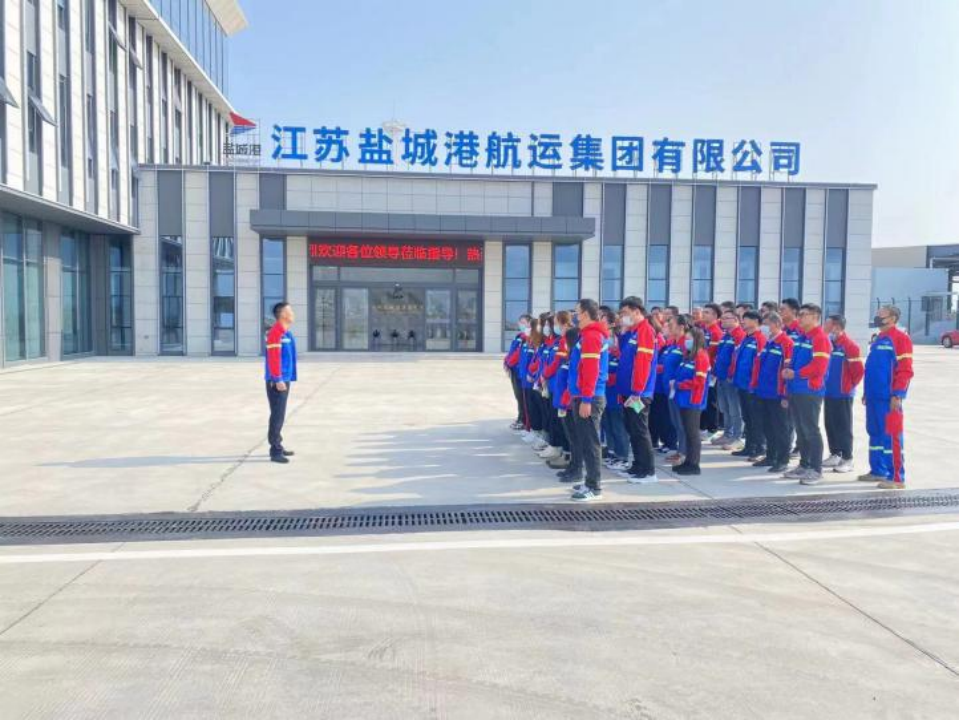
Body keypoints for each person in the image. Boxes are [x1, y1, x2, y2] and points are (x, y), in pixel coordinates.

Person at [861, 305, 914, 489]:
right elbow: (871, 368)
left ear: (892, 318)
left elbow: (905, 370)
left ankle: (897, 477)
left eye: (881, 315)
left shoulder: (900, 339)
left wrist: (897, 395)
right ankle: (878, 470)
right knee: (875, 433)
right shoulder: (878, 339)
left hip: (889, 398)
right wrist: (866, 393)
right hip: (874, 397)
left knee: (891, 437)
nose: (877, 317)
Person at [565, 299, 610, 501]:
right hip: (584, 395)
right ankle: (589, 480)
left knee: (591, 443)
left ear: (584, 314)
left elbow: (591, 371)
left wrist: (586, 399)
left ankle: (594, 487)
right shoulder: (587, 335)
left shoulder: (591, 336)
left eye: (577, 312)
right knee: (586, 441)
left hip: (589, 397)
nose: (575, 316)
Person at [781, 303, 831, 484]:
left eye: (804, 314)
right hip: (796, 389)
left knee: (810, 430)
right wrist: (787, 386)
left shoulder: (820, 338)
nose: (800, 317)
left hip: (810, 390)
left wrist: (796, 374)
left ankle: (815, 469)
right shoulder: (802, 337)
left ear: (815, 317)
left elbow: (819, 367)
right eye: (800, 314)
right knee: (801, 430)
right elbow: (793, 363)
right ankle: (804, 464)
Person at [617, 297, 659, 483]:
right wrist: (624, 332)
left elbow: (643, 364)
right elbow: (625, 354)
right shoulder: (633, 332)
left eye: (625, 313)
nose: (623, 317)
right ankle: (638, 465)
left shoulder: (645, 331)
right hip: (629, 391)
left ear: (636, 311)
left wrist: (637, 392)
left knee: (640, 430)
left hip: (639, 393)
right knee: (632, 429)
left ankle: (648, 471)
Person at [750, 312, 794, 473]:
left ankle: (783, 459)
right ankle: (771, 456)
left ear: (776, 324)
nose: (764, 327)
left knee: (781, 428)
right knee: (767, 426)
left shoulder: (786, 343)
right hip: (763, 392)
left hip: (777, 394)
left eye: (766, 324)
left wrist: (785, 395)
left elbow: (788, 370)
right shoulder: (768, 343)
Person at [822, 314, 865, 474]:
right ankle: (835, 454)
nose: (824, 327)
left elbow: (858, 371)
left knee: (843, 426)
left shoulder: (849, 346)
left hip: (843, 393)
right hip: (828, 392)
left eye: (827, 324)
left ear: (836, 327)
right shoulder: (829, 344)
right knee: (830, 424)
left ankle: (847, 458)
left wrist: (848, 386)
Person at [672, 326, 710, 475]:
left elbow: (699, 381)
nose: (686, 341)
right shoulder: (689, 356)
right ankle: (688, 461)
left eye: (689, 338)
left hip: (693, 399)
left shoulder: (701, 356)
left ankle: (694, 464)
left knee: (692, 433)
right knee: (688, 432)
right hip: (684, 399)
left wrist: (680, 385)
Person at [264, 302, 298, 464]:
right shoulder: (275, 332)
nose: (293, 313)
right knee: (277, 416)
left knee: (280, 414)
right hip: (278, 381)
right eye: (290, 310)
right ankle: (275, 451)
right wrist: (277, 379)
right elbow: (273, 357)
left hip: (284, 378)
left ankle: (278, 443)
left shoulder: (286, 333)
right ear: (282, 314)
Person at [730, 310, 766, 460]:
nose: (742, 322)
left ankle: (759, 448)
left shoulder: (760, 339)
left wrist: (754, 383)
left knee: (755, 418)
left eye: (745, 319)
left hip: (752, 386)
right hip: (742, 384)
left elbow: (760, 363)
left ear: (755, 321)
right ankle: (749, 446)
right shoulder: (746, 338)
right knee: (747, 418)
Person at [600, 309, 631, 468]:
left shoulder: (620, 355)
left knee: (618, 426)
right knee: (608, 425)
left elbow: (621, 374)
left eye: (611, 337)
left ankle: (623, 455)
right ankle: (612, 452)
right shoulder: (608, 355)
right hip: (605, 394)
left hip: (616, 396)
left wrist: (608, 377)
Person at [714, 310, 746, 450]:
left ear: (736, 320)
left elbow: (737, 357)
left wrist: (731, 374)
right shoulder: (726, 335)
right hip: (721, 376)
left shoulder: (739, 335)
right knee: (725, 407)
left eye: (727, 318)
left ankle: (737, 436)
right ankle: (727, 433)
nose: (723, 321)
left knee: (735, 408)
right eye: (723, 318)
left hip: (731, 377)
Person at [504, 314, 532, 430]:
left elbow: (518, 354)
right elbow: (512, 351)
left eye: (523, 322)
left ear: (529, 323)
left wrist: (509, 363)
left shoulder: (528, 338)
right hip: (514, 370)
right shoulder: (519, 336)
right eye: (520, 322)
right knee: (518, 396)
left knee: (522, 397)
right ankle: (520, 417)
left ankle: (523, 420)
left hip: (520, 371)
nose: (521, 324)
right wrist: (506, 362)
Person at [700, 303, 724, 438]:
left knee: (711, 400)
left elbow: (714, 354)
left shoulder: (716, 332)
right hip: (702, 370)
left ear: (715, 315)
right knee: (704, 398)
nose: (703, 314)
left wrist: (712, 371)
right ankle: (703, 426)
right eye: (704, 312)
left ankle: (712, 428)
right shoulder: (704, 330)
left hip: (710, 371)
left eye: (707, 312)